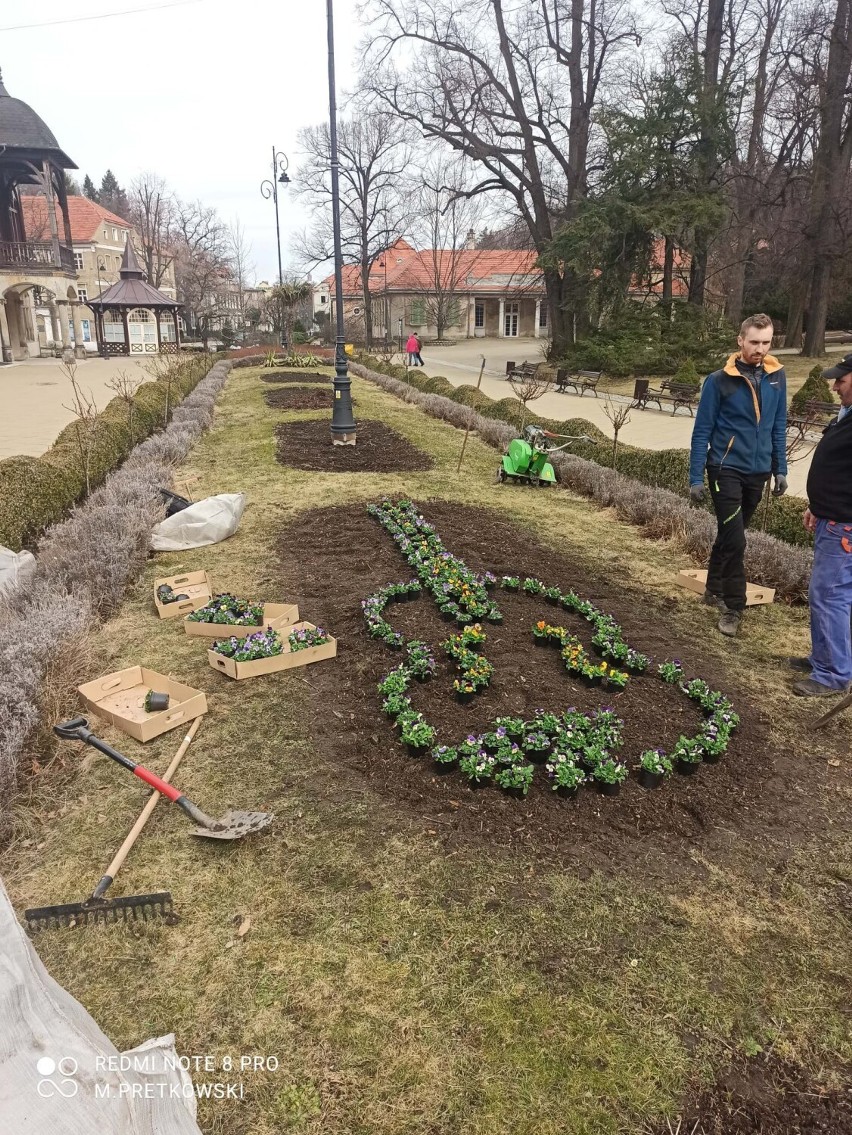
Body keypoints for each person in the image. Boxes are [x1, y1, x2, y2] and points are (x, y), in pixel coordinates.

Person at [688, 313, 788, 637]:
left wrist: (780, 469)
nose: (760, 349)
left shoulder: (776, 377)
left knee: (731, 534)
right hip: (724, 468)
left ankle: (713, 587)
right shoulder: (719, 381)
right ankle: (733, 606)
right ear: (740, 341)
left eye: (766, 342)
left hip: (757, 473)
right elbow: (701, 431)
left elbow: (777, 426)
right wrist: (695, 477)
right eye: (754, 342)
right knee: (736, 539)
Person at [789, 353, 852, 696]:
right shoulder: (847, 414)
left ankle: (832, 675)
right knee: (826, 595)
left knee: (830, 596)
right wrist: (818, 506)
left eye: (842, 379)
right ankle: (823, 658)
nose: (834, 384)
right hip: (832, 520)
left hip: (845, 527)